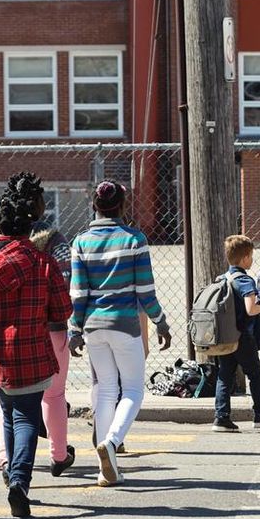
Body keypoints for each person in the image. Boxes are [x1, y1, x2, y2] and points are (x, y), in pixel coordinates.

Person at [0, 192, 71, 517]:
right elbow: (63, 309)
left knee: (8, 412)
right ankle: (19, 481)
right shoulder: (43, 262)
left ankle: (11, 471)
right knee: (25, 416)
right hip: (33, 352)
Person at [68, 181, 171, 485]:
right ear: (123, 207)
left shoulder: (80, 242)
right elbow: (145, 292)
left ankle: (104, 469)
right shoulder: (134, 240)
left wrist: (75, 329)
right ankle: (111, 443)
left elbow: (79, 293)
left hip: (92, 328)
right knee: (133, 391)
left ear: (94, 206)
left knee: (106, 389)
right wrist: (160, 322)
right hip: (125, 325)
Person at [16, 172, 77, 477]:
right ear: (42, 207)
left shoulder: (4, 237)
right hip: (52, 328)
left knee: (10, 398)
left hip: (12, 329)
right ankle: (59, 454)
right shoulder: (56, 240)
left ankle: (7, 460)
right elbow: (65, 281)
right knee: (53, 395)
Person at [212, 235, 260, 432]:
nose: (252, 259)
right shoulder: (244, 280)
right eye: (251, 256)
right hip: (243, 337)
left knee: (225, 375)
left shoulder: (222, 278)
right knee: (255, 375)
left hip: (226, 337)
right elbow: (251, 309)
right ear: (245, 258)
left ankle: (221, 417)